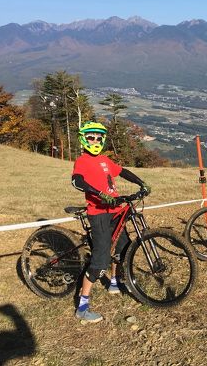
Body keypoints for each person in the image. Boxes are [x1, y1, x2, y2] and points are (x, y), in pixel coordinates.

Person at [71, 121, 151, 323]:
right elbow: (77, 181)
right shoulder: (82, 161)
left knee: (122, 249)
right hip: (99, 213)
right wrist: (100, 195)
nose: (95, 140)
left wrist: (141, 182)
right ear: (84, 139)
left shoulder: (105, 160)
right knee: (100, 260)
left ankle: (114, 282)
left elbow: (122, 171)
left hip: (116, 210)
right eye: (91, 137)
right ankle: (82, 306)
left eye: (98, 137)